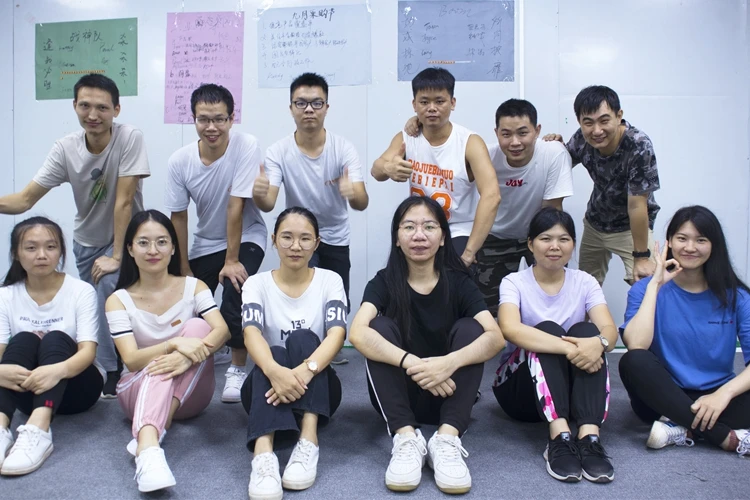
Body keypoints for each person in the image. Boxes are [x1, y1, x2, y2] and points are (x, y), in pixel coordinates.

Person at [0, 73, 150, 398]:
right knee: (94, 306)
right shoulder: (65, 148)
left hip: (125, 239)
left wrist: (117, 255)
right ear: (74, 106)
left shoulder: (129, 137)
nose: (93, 115)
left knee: (109, 290)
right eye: (85, 106)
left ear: (116, 110)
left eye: (102, 108)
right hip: (86, 242)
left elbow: (124, 201)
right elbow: (25, 199)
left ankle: (114, 369)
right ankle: (101, 364)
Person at [349, 196, 504, 495]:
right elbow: (357, 333)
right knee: (377, 327)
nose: (419, 235)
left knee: (473, 329)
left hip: (449, 395)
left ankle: (447, 439)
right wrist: (414, 363)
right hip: (400, 398)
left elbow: (495, 337)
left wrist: (448, 363)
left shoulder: (459, 282)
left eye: (429, 227)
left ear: (443, 237)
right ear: (397, 238)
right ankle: (406, 438)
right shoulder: (384, 281)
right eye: (409, 227)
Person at [408, 99, 573, 315]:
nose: (515, 142)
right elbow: (442, 158)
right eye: (506, 134)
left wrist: (547, 245)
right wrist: (418, 122)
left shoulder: (553, 153)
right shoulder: (486, 156)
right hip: (494, 236)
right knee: (486, 307)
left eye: (523, 133)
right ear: (496, 133)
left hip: (539, 234)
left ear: (537, 130)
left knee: (551, 299)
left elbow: (552, 210)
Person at [105, 210, 230, 493]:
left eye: (162, 242)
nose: (153, 250)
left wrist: (184, 357)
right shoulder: (118, 300)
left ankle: (155, 427)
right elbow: (132, 360)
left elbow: (222, 331)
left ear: (174, 248)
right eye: (143, 243)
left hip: (192, 396)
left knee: (199, 327)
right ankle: (149, 447)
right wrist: (172, 346)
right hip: (136, 393)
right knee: (156, 364)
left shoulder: (194, 287)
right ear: (130, 249)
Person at [493, 207, 617, 483]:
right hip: (520, 393)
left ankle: (589, 437)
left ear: (573, 244)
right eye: (545, 239)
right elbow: (509, 328)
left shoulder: (585, 282)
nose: (554, 246)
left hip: (570, 394)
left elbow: (609, 330)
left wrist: (599, 342)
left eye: (563, 239)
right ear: (530, 244)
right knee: (547, 330)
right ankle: (558, 437)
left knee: (588, 332)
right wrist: (570, 348)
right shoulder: (514, 282)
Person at [253, 73, 368, 364]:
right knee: (304, 295)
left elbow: (362, 203)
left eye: (316, 103)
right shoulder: (278, 151)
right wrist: (259, 194)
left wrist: (352, 193)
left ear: (327, 107)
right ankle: (306, 349)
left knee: (338, 297)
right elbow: (268, 203)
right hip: (300, 237)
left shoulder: (343, 148)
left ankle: (329, 348)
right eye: (301, 103)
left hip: (336, 234)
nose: (309, 109)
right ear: (291, 108)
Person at [619, 205, 750, 456]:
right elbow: (636, 345)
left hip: (717, 398)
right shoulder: (644, 289)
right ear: (669, 242)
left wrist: (724, 394)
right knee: (634, 361)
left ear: (714, 245)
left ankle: (680, 427)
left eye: (701, 240)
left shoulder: (737, 296)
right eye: (682, 238)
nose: (690, 247)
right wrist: (655, 285)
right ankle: (724, 437)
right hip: (661, 396)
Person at [166, 84, 267, 403]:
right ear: (193, 119)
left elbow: (236, 205)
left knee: (236, 289)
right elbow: (178, 216)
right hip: (206, 241)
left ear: (232, 118)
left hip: (248, 235)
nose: (212, 127)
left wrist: (232, 260)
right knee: (187, 301)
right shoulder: (179, 160)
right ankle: (200, 354)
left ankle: (237, 367)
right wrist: (183, 267)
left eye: (219, 119)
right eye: (204, 119)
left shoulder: (246, 145)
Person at [241, 207, 346, 500]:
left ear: (317, 243)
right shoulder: (256, 283)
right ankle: (263, 453)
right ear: (274, 239)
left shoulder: (330, 280)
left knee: (303, 338)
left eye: (305, 238)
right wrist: (275, 372)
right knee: (273, 352)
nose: (296, 246)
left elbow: (337, 334)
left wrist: (305, 370)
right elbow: (251, 334)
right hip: (267, 387)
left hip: (319, 388)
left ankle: (308, 440)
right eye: (287, 237)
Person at [0, 217, 103, 475]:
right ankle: (1, 427)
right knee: (24, 339)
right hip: (26, 391)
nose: (42, 255)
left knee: (55, 337)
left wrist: (55, 371)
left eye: (50, 246)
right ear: (16, 253)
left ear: (61, 251)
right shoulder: (5, 295)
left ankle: (39, 428)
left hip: (78, 388)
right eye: (31, 247)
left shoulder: (81, 291)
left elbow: (88, 352)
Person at [371, 67, 500, 269]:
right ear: (414, 105)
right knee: (396, 277)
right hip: (418, 226)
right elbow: (376, 170)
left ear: (452, 103)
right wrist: (388, 168)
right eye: (424, 102)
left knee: (454, 277)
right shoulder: (407, 137)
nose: (432, 108)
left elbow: (492, 195)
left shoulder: (469, 142)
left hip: (457, 229)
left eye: (439, 101)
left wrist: (469, 253)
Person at [544, 85, 659, 285]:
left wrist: (641, 256)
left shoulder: (639, 145)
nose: (597, 131)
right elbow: (561, 163)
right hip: (595, 224)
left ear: (619, 116)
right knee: (583, 287)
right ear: (579, 121)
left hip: (631, 228)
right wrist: (555, 148)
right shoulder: (582, 139)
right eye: (588, 122)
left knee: (645, 286)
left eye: (604, 121)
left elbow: (637, 206)